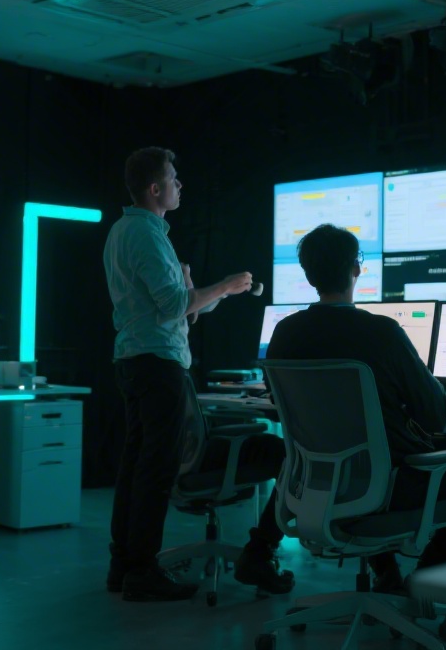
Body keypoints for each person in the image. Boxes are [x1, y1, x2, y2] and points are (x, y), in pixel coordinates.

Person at [265, 223, 446, 592]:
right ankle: (424, 581)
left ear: (308, 274)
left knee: (373, 455)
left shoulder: (284, 333)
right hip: (389, 489)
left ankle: (388, 578)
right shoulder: (383, 332)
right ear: (356, 268)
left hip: (315, 486)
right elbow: (434, 415)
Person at [104, 147, 295, 602]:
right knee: (154, 470)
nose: (180, 185)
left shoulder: (126, 230)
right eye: (173, 178)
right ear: (155, 189)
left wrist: (205, 294)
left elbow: (178, 311)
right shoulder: (147, 235)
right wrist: (224, 286)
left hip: (136, 360)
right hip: (157, 365)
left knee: (135, 467)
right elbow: (173, 308)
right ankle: (143, 571)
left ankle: (124, 564)